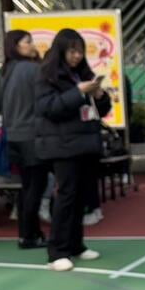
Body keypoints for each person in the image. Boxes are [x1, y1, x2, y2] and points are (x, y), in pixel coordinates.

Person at [35, 29, 111, 272]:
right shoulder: (47, 75)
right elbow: (50, 108)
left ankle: (76, 244)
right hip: (61, 145)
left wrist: (99, 94)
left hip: (85, 143)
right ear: (61, 51)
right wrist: (78, 93)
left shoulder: (83, 73)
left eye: (80, 51)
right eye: (72, 51)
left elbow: (103, 108)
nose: (77, 56)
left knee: (81, 196)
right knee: (65, 196)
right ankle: (56, 251)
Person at [0, 29, 48, 249]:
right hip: (33, 134)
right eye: (27, 41)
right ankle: (29, 234)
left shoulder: (3, 72)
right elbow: (44, 101)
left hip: (12, 135)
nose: (32, 44)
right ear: (16, 46)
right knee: (37, 185)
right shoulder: (35, 70)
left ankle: (28, 233)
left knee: (26, 186)